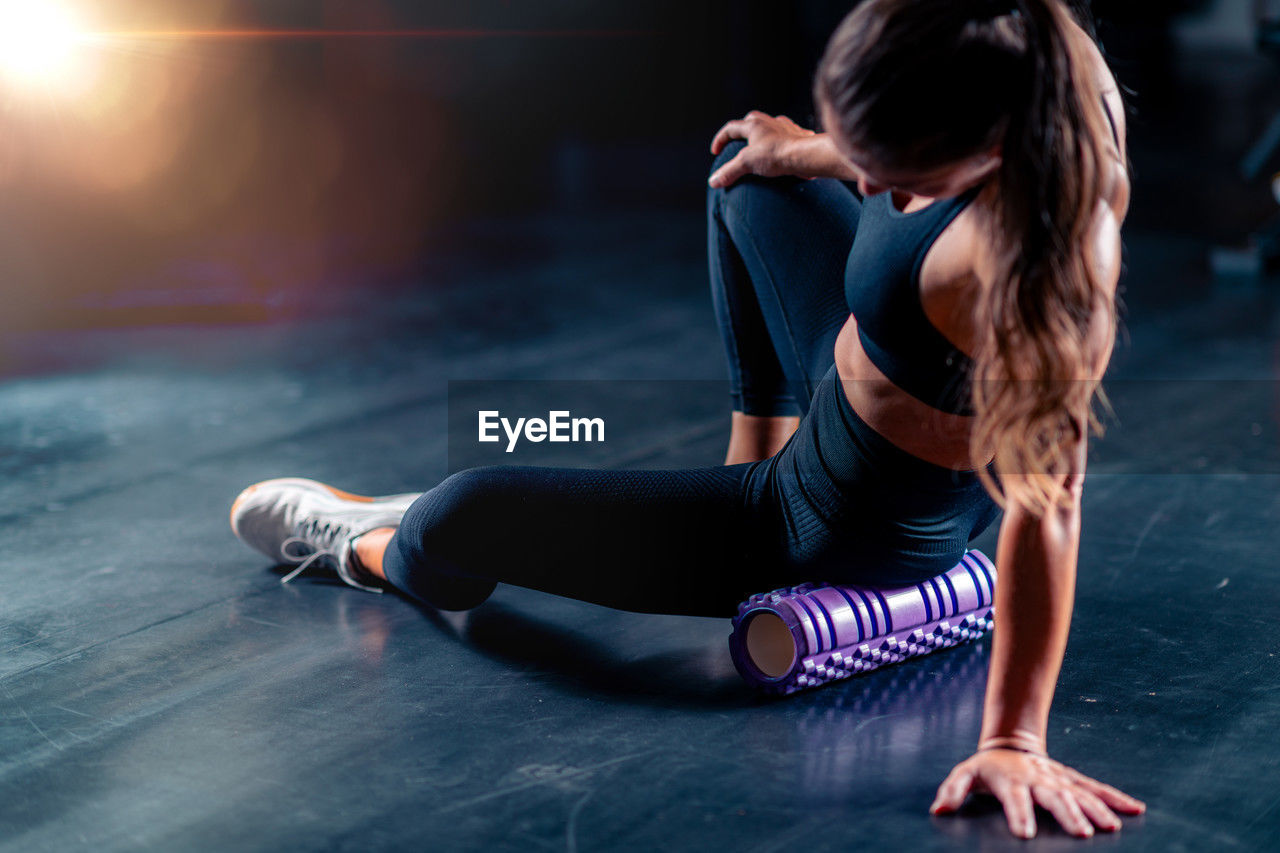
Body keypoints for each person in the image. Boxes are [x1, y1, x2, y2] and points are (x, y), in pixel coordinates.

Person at [229, 0, 1146, 839]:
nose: (865, 185)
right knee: (745, 166)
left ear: (986, 150)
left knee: (463, 511)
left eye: (894, 170)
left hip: (839, 520)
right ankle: (746, 460)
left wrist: (1017, 739)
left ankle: (364, 546)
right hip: (849, 372)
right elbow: (865, 155)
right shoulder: (1011, 32)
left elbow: (1048, 501)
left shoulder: (1042, 262)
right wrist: (812, 151)